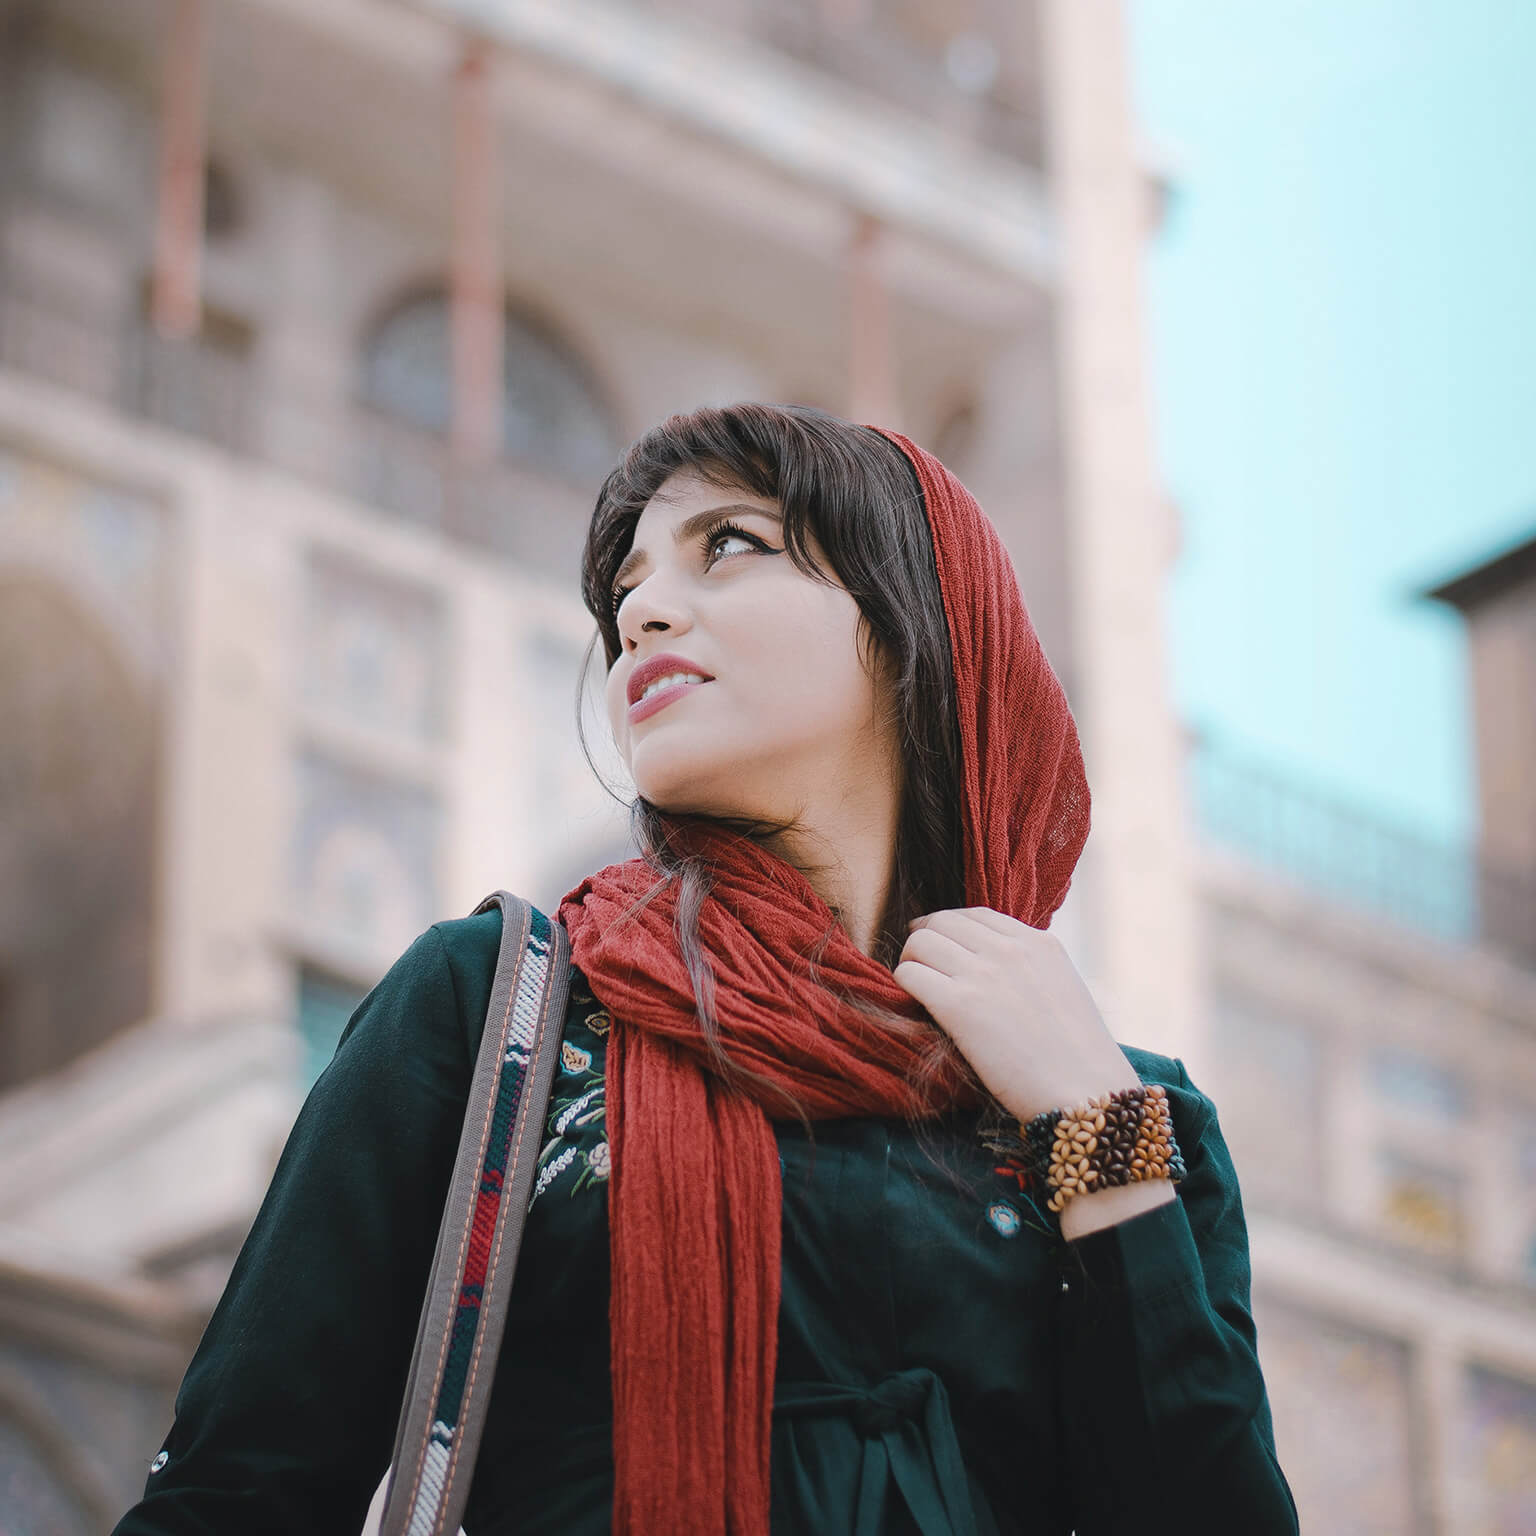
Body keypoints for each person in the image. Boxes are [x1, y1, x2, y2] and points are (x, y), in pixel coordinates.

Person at [112, 403, 1298, 1535]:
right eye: (624, 590)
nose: (643, 616)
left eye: (726, 547)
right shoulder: (501, 1012)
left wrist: (1099, 1139)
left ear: (914, 624)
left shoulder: (1117, 1109)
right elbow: (237, 1496)